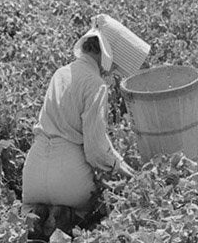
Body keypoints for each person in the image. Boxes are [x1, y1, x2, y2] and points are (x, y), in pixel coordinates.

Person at [22, 17, 148, 230]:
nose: (113, 70)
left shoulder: (60, 73)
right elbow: (95, 149)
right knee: (98, 207)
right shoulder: (95, 84)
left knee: (34, 210)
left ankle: (37, 213)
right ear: (106, 55)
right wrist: (128, 173)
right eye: (115, 63)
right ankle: (69, 216)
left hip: (33, 173)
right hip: (68, 179)